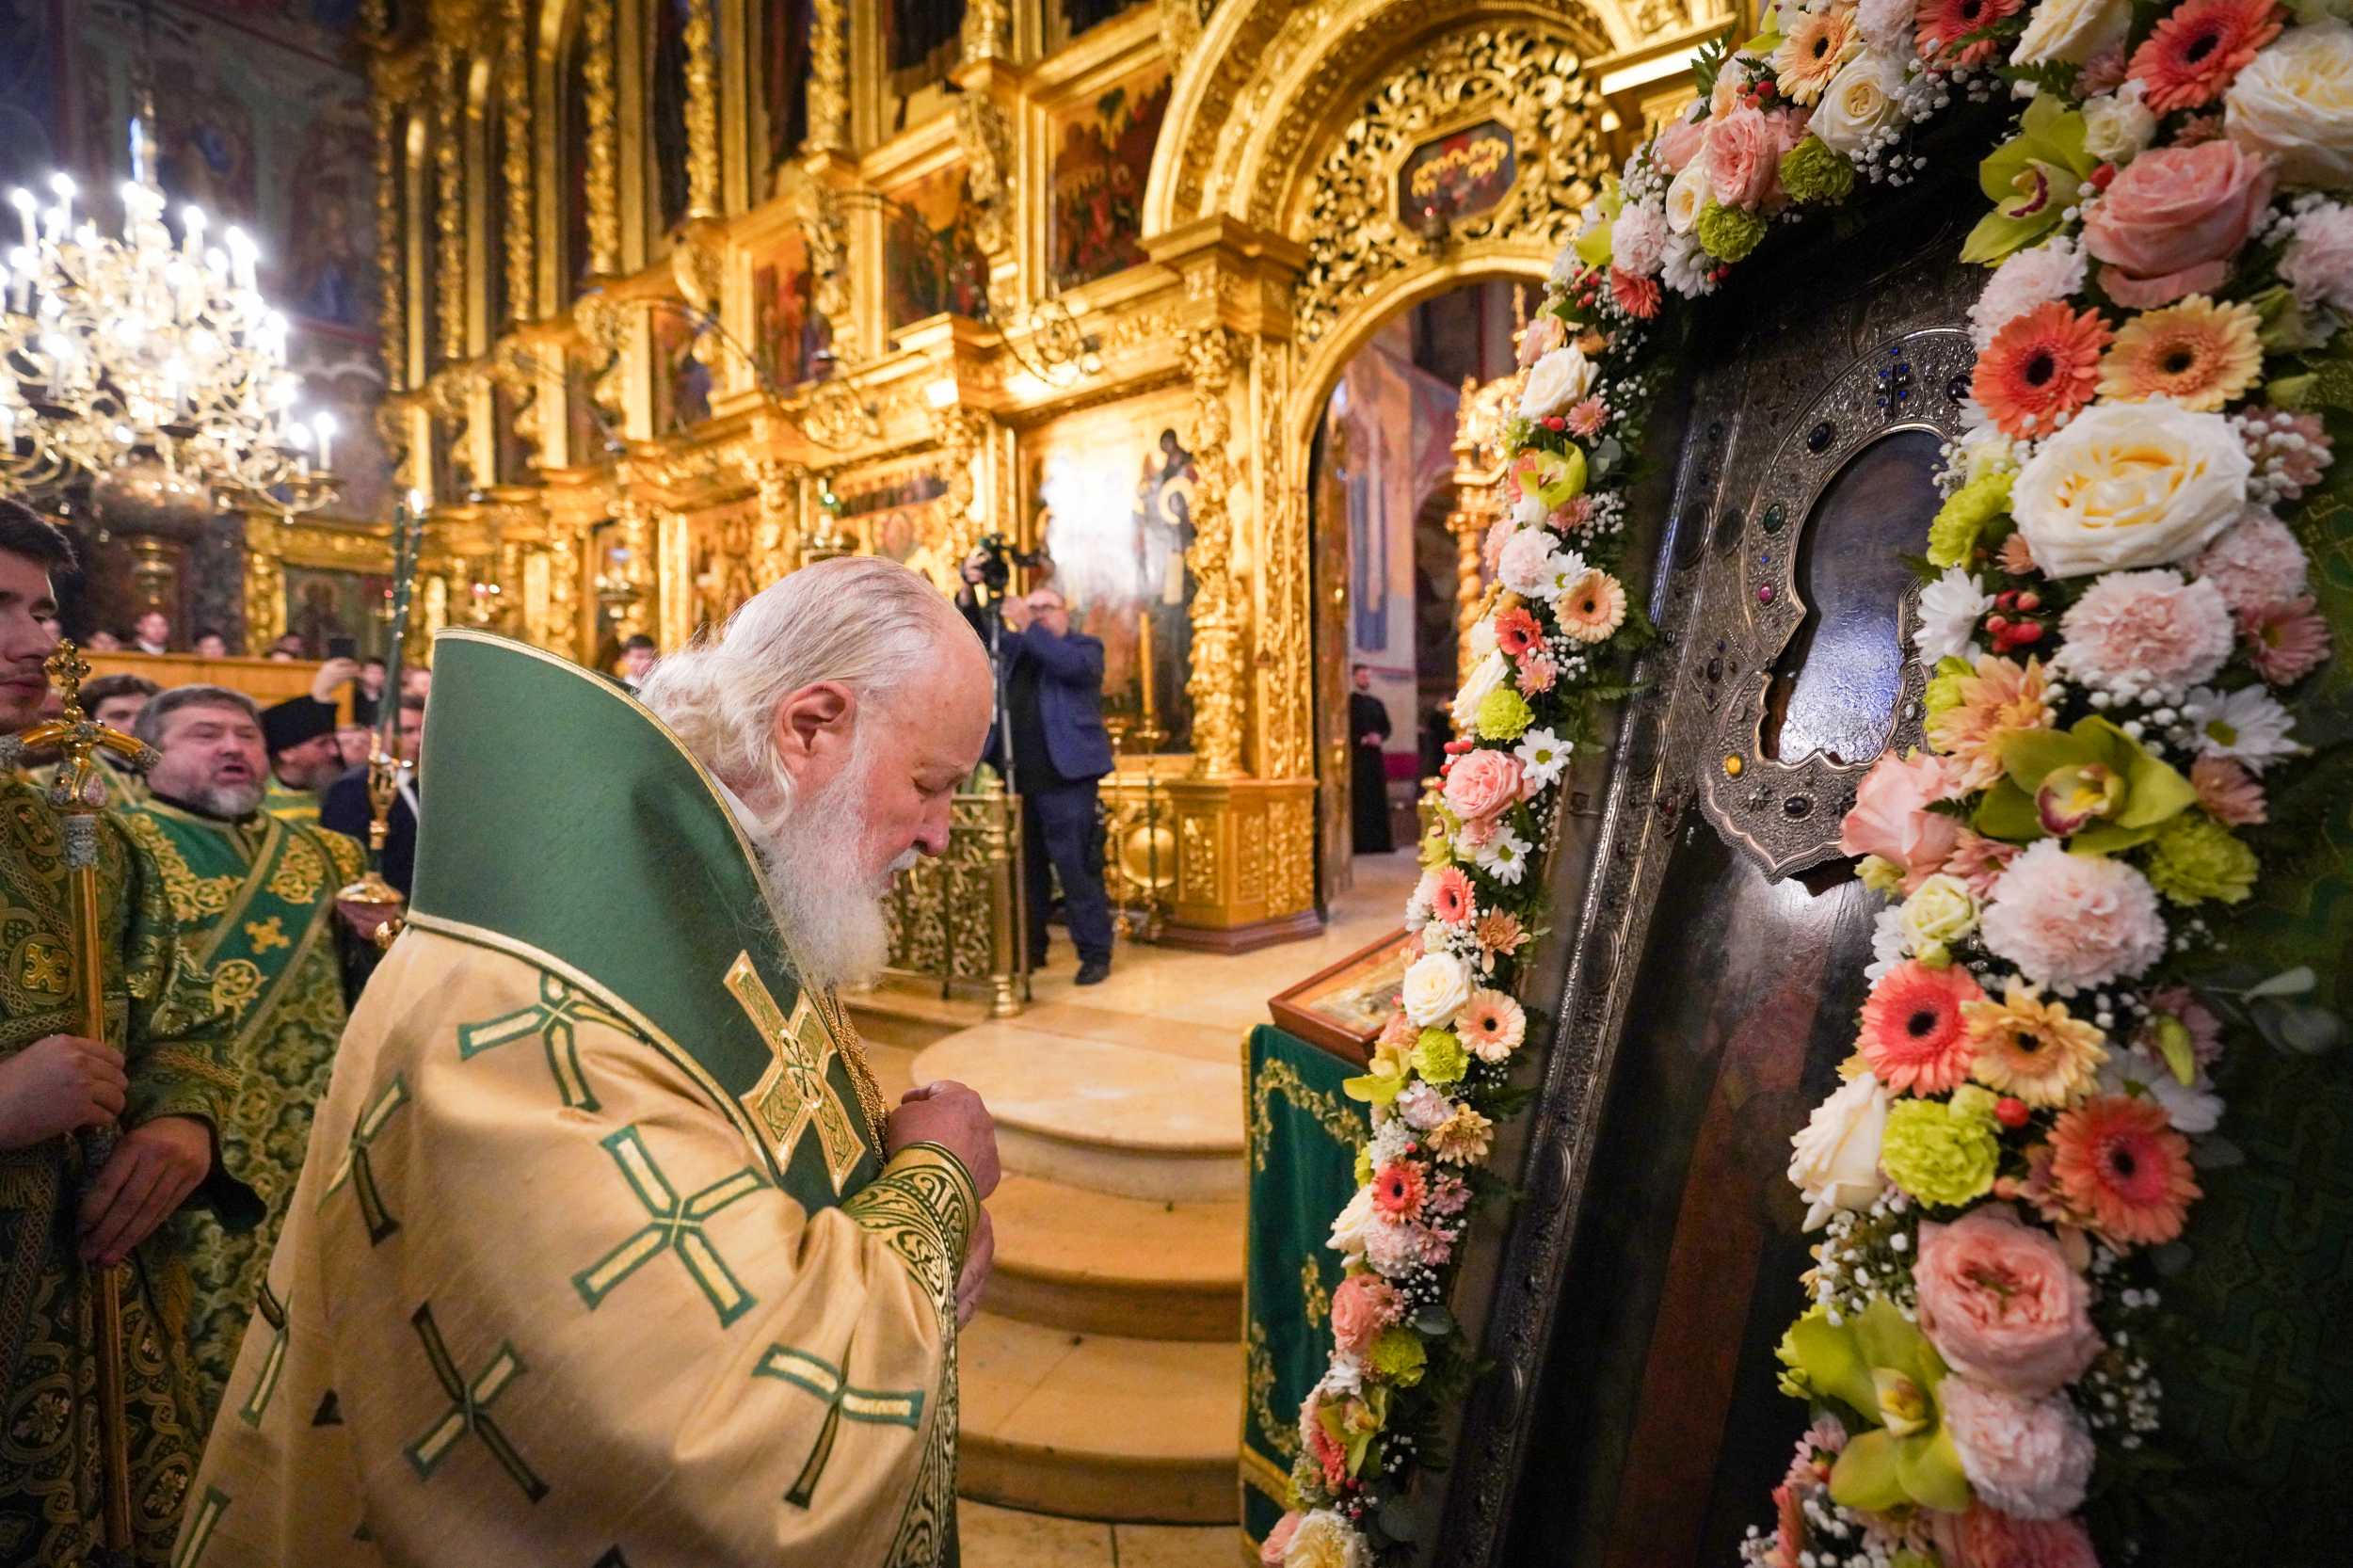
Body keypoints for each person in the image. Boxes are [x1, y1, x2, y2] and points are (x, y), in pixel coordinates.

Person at [183, 557, 1001, 1567]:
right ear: (809, 725)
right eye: (930, 784)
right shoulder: (534, 991)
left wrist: (901, 1216)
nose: (939, 834)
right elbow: (742, 1436)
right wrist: (937, 1183)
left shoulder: (715, 878)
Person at [0, 499, 255, 1566]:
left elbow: (182, 1016)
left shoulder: (80, 835)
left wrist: (183, 1123)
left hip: (99, 1307)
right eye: (0, 610)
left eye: (42, 610)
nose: (37, 640)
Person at [118, 685, 382, 1419]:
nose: (233, 748)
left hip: (316, 1132)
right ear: (147, 755)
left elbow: (371, 990)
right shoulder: (116, 844)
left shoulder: (327, 852)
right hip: (188, 1140)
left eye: (246, 736)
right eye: (205, 735)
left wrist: (371, 939)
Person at [956, 552, 1116, 985]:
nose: (1039, 615)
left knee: (1076, 869)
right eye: (1034, 607)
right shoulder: (1020, 651)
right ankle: (1032, 950)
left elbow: (1066, 666)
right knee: (1026, 873)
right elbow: (976, 633)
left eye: (1048, 608)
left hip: (1067, 782)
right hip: (1019, 779)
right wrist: (969, 590)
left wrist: (1025, 621)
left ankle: (1095, 953)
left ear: (1067, 614)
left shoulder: (1084, 649)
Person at [321, 691, 423, 896]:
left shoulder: (419, 782)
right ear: (375, 733)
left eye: (423, 730)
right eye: (407, 730)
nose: (419, 739)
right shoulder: (353, 788)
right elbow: (345, 859)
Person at [29, 671, 160, 808]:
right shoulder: (50, 780)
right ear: (89, 722)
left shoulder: (176, 776)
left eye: (144, 715)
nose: (134, 725)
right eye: (120, 716)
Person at [259, 658, 364, 825]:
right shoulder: (257, 803)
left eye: (333, 742)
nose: (334, 751)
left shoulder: (338, 792)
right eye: (322, 744)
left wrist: (322, 694)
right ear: (287, 753)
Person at [1349, 664, 1395, 855]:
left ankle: (1380, 843)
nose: (1365, 679)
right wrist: (1363, 739)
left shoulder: (1377, 703)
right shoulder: (1349, 703)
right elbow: (1345, 730)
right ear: (1354, 678)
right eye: (1361, 676)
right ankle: (1361, 844)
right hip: (1358, 758)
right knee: (1362, 800)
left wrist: (1379, 737)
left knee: (1377, 799)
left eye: (1367, 676)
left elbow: (1387, 727)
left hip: (1375, 758)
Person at [353, 655, 387, 727]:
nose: (376, 676)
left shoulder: (388, 699)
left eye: (381, 673)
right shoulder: (353, 698)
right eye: (372, 672)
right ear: (361, 674)